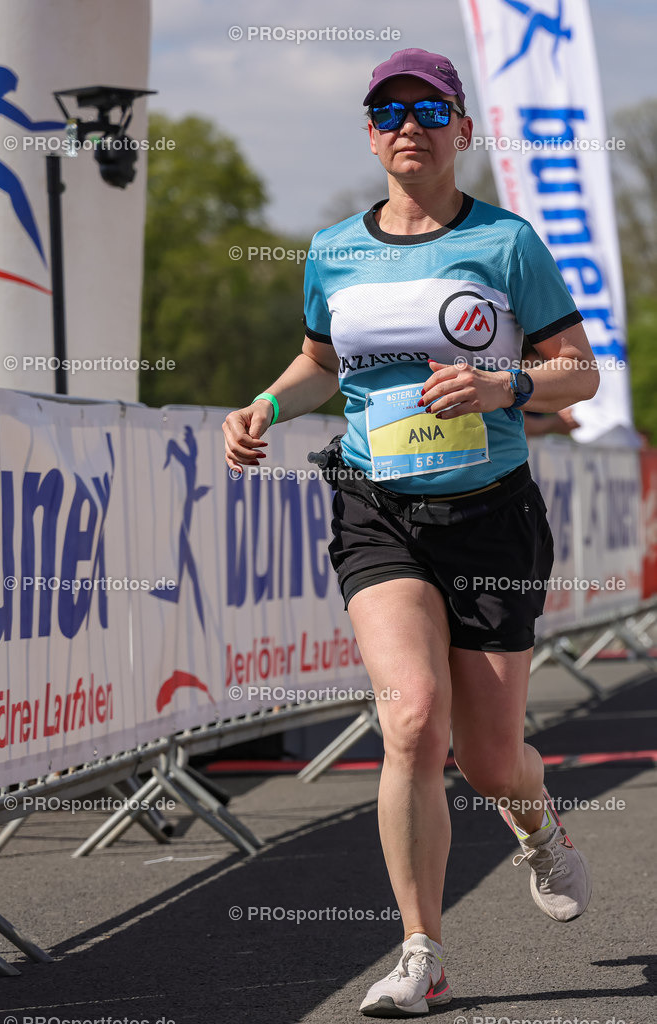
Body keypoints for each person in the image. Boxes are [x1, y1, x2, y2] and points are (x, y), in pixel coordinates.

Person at [223, 48, 598, 1019]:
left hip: (489, 516)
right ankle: (421, 951)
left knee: (486, 758)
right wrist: (265, 403)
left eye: (427, 108)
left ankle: (534, 822)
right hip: (376, 507)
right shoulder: (333, 249)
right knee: (409, 719)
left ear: (461, 130)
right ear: (369, 133)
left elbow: (576, 370)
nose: (406, 123)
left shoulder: (506, 243)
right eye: (385, 109)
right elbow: (315, 359)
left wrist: (503, 382)